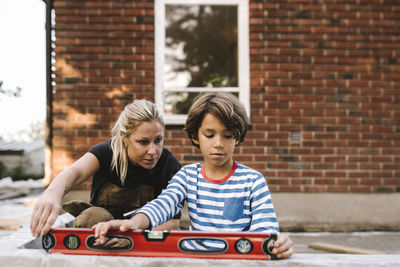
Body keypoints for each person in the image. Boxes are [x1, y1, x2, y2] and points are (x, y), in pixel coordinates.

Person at [93, 92, 294, 259]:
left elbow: (265, 232)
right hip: (199, 261)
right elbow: (163, 204)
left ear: (238, 137)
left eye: (227, 135)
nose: (218, 143)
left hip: (240, 260)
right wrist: (133, 223)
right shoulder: (188, 176)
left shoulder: (253, 181)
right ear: (195, 136)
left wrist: (277, 243)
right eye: (209, 135)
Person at [30, 99, 182, 238]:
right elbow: (76, 172)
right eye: (143, 142)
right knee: (92, 217)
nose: (153, 150)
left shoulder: (169, 165)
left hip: (143, 234)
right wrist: (52, 194)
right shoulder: (107, 152)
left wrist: (132, 238)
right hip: (101, 231)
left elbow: (172, 223)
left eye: (158, 140)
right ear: (124, 138)